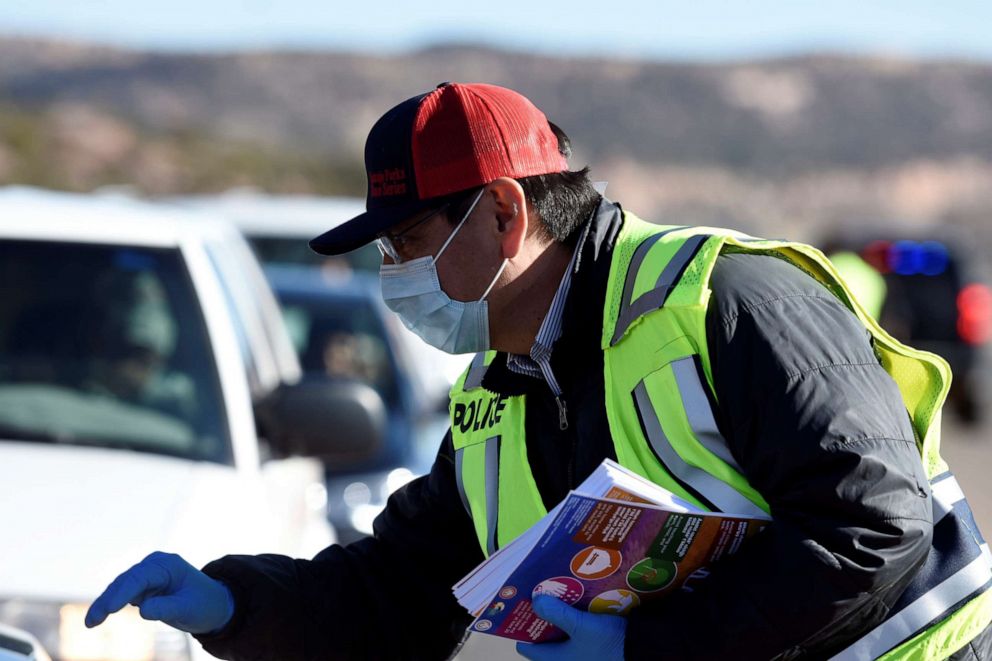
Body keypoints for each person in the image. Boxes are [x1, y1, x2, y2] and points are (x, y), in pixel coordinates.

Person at [85, 83, 992, 660]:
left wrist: (647, 652)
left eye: (405, 241)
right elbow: (398, 590)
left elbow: (871, 523)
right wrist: (231, 601)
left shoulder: (726, 299)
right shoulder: (498, 392)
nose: (389, 274)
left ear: (505, 215)